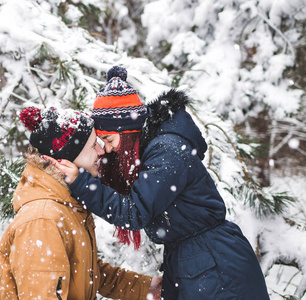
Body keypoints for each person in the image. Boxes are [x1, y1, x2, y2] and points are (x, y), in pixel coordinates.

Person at [50, 66, 270, 300]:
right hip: (198, 261)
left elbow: (134, 212)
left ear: (128, 131)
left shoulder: (167, 151)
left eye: (109, 139)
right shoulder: (150, 151)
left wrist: (83, 183)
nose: (108, 148)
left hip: (215, 265)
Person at [0, 106, 162, 300]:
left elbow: (87, 274)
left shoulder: (65, 204)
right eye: (93, 145)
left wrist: (146, 288)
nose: (101, 151)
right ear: (63, 160)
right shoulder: (42, 219)